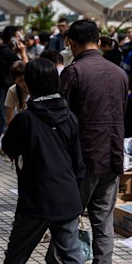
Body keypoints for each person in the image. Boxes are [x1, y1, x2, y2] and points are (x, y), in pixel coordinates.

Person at [2, 58, 85, 264]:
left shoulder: (25, 119)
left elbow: (9, 147)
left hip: (35, 199)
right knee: (71, 257)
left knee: (16, 256)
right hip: (67, 197)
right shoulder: (70, 117)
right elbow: (78, 164)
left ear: (31, 83)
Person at [58, 19, 128, 263]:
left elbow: (62, 117)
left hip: (83, 157)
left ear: (71, 43)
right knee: (103, 221)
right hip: (113, 155)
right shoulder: (120, 73)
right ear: (98, 42)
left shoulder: (73, 72)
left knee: (67, 217)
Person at [0, 25, 28, 160]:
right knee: (9, 119)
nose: (20, 38)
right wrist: (22, 52)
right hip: (6, 90)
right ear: (11, 37)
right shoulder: (9, 53)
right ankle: (10, 150)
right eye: (17, 36)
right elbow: (25, 69)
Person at [4, 61, 28, 127]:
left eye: (25, 78)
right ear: (15, 82)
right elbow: (9, 119)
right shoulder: (13, 91)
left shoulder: (39, 86)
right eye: (20, 81)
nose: (24, 83)